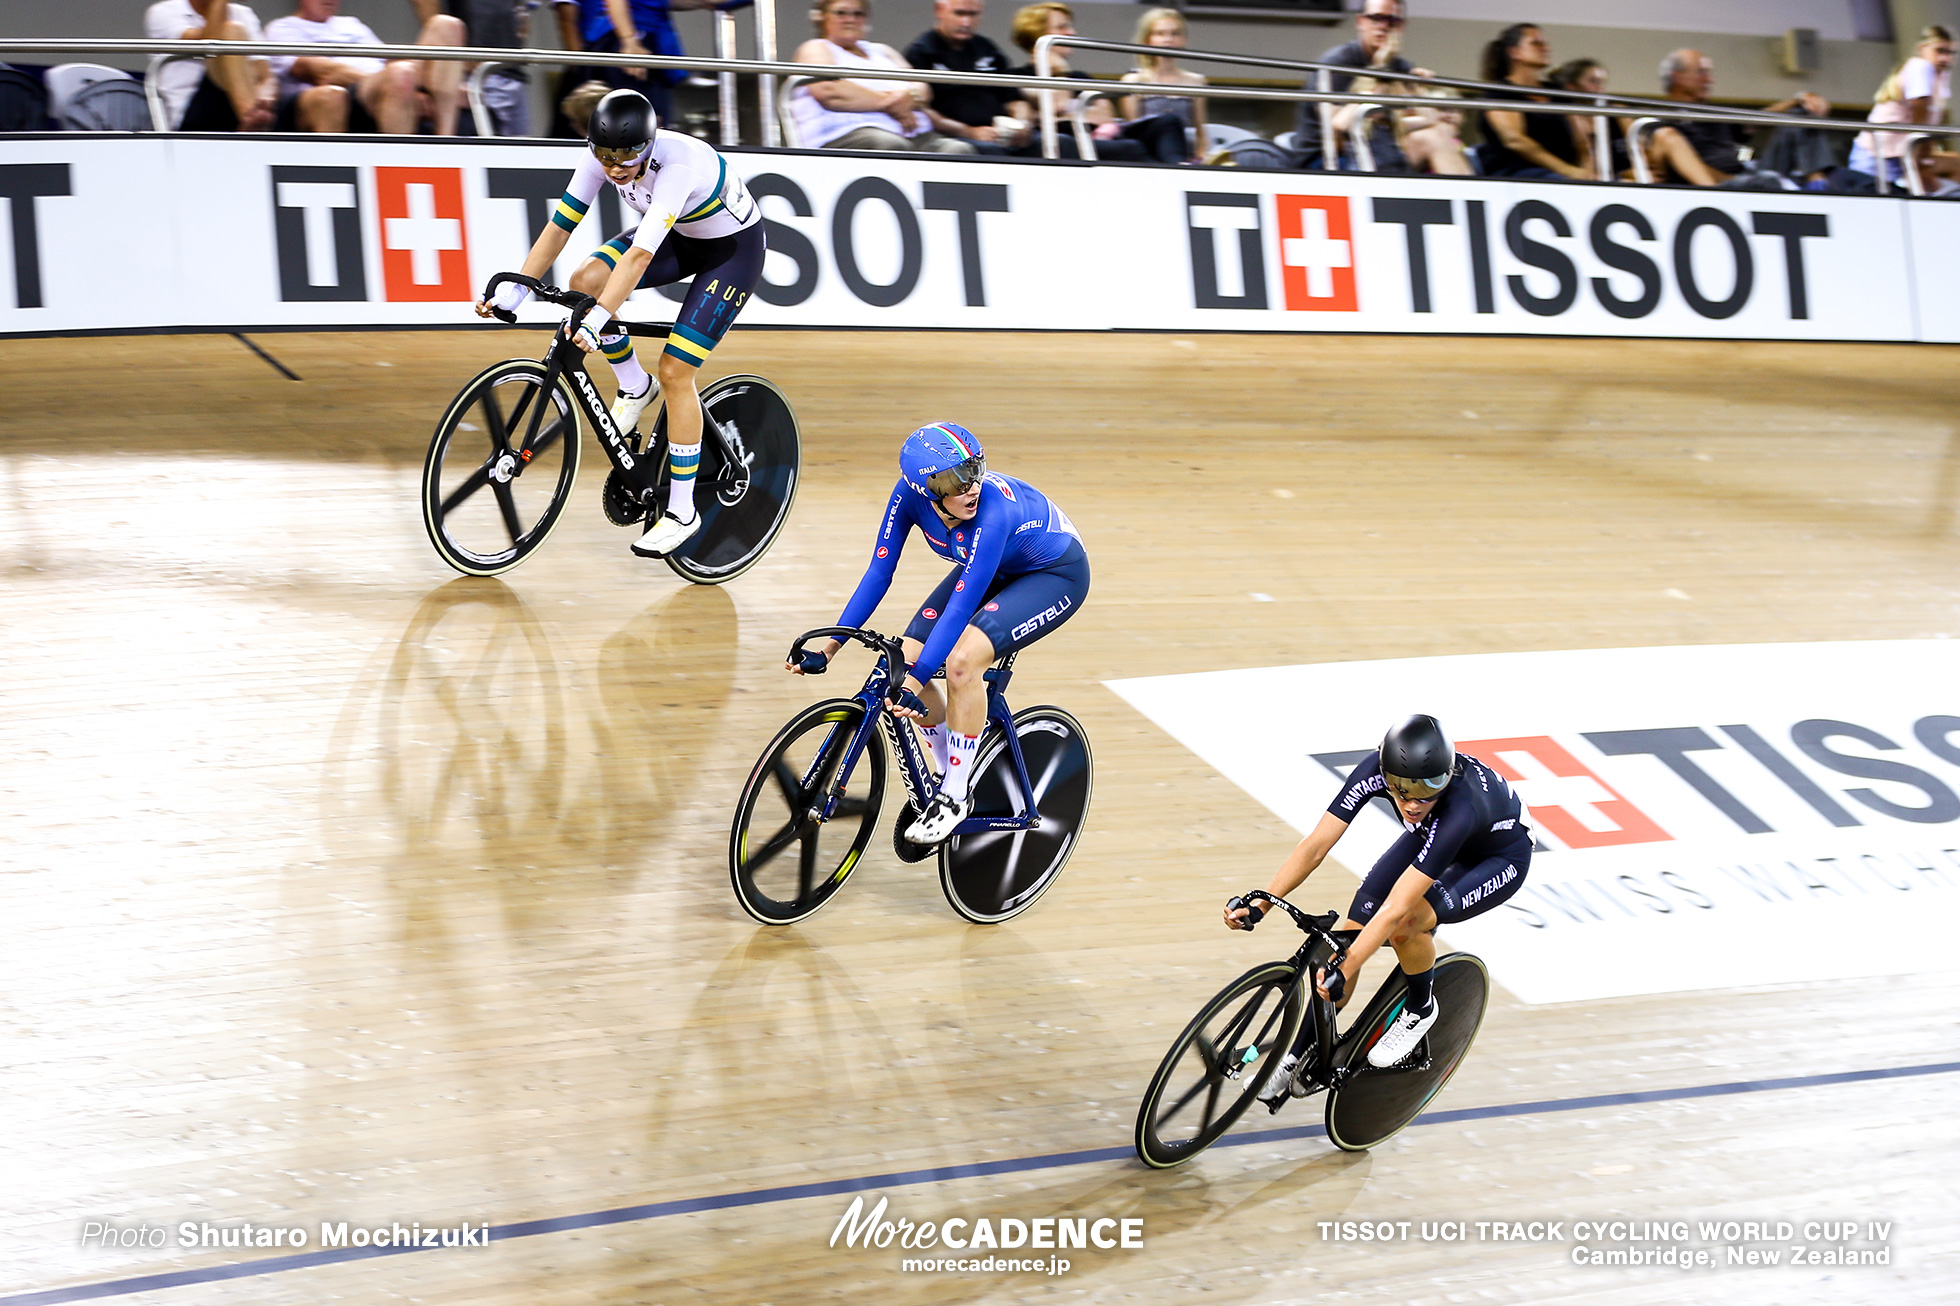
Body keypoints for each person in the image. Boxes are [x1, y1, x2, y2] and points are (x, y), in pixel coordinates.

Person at [475, 89, 766, 558]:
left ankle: (683, 512)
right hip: (682, 237)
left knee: (676, 370)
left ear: (648, 145)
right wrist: (519, 288)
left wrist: (599, 320)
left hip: (731, 251)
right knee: (586, 280)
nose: (615, 166)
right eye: (606, 155)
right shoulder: (596, 157)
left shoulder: (677, 166)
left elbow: (639, 256)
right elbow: (560, 226)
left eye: (628, 155)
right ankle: (633, 384)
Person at [789, 424, 1090, 844]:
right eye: (954, 479)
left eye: (975, 470)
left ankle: (954, 794)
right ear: (925, 488)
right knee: (907, 657)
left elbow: (962, 607)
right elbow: (879, 572)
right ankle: (953, 763)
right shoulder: (908, 496)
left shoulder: (991, 511)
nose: (971, 487)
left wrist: (918, 678)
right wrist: (831, 647)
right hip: (998, 567)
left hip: (1054, 574)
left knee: (962, 664)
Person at [1225, 715, 1532, 1085]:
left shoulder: (1460, 806)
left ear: (1447, 775)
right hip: (1436, 834)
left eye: (1429, 787)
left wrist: (1348, 968)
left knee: (1408, 924)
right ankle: (1294, 1059)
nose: (1413, 801)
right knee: (1347, 938)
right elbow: (1316, 845)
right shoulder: (1376, 771)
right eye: (1401, 788)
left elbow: (1397, 909)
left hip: (1498, 858)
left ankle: (1420, 1008)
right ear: (1385, 771)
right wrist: (1261, 903)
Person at [790, 0, 977, 153]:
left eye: (858, 14)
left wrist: (909, 96)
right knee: (892, 146)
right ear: (822, 17)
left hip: (914, 135)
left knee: (958, 149)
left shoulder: (882, 51)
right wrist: (890, 102)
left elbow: (922, 86)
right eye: (841, 13)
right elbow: (830, 91)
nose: (850, 19)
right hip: (850, 135)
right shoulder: (816, 47)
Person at [1007, 1, 1180, 163]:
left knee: (1167, 122)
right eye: (1062, 27)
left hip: (1100, 138)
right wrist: (1060, 72)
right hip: (1061, 144)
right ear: (1037, 35)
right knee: (1129, 148)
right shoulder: (1017, 76)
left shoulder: (1080, 76)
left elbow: (1105, 116)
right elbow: (1057, 104)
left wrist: (1058, 116)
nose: (1072, 33)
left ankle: (1180, 171)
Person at [265, 0, 465, 134]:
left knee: (446, 26)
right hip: (344, 95)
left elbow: (387, 59)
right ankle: (401, 169)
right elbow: (320, 71)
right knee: (400, 75)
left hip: (382, 84)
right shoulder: (284, 27)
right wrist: (394, 80)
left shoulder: (352, 24)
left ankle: (446, 144)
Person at [1653, 48, 1830, 188]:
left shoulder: (1713, 115)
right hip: (1721, 184)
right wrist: (1735, 179)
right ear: (1677, 77)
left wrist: (1798, 99)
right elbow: (1681, 166)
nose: (1709, 80)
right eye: (1701, 73)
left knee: (1800, 114)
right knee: (1764, 181)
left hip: (1748, 175)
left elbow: (1758, 119)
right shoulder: (1663, 123)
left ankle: (1817, 183)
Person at [1293, 0, 1427, 170]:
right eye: (1377, 18)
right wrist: (1380, 68)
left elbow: (1416, 120)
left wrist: (1419, 89)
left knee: (1433, 137)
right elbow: (1335, 129)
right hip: (1326, 156)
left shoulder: (1401, 67)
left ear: (1402, 27)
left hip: (1380, 148)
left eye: (1393, 21)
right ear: (1360, 21)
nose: (1384, 26)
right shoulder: (1337, 62)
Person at [904, 0, 1030, 152]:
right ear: (939, 10)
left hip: (1000, 133)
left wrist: (1022, 124)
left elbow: (1014, 98)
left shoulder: (987, 48)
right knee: (991, 150)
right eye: (959, 13)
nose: (966, 22)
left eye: (973, 14)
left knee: (1059, 142)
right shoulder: (921, 52)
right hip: (951, 135)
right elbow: (922, 110)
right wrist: (968, 132)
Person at [1475, 22, 1591, 180]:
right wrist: (1567, 170)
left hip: (1564, 172)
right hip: (1517, 173)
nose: (1545, 48)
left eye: (1545, 44)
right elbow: (1514, 140)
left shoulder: (1557, 91)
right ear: (1515, 52)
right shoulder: (1501, 91)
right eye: (1536, 43)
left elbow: (1582, 141)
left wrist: (1588, 171)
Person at [1849, 26, 1958, 193]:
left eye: (1951, 53)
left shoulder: (1941, 76)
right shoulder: (1919, 66)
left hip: (1900, 155)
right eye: (1940, 50)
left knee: (1955, 165)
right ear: (1922, 48)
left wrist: (1925, 159)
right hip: (1876, 156)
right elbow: (1920, 114)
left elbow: (1930, 125)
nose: (1945, 58)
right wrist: (1923, 162)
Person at [145, 0, 276, 131]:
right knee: (231, 31)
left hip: (238, 106)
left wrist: (265, 100)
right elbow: (208, 43)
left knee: (245, 53)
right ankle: (249, 116)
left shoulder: (243, 13)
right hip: (190, 110)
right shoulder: (164, 11)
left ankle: (254, 118)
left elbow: (264, 76)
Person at [1119, 7, 1205, 162]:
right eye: (1160, 33)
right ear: (1147, 39)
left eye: (1175, 33)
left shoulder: (1195, 81)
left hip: (1187, 154)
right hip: (1150, 154)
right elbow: (1134, 130)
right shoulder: (1134, 80)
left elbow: (1200, 131)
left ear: (1184, 39)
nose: (1168, 39)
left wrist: (1201, 157)